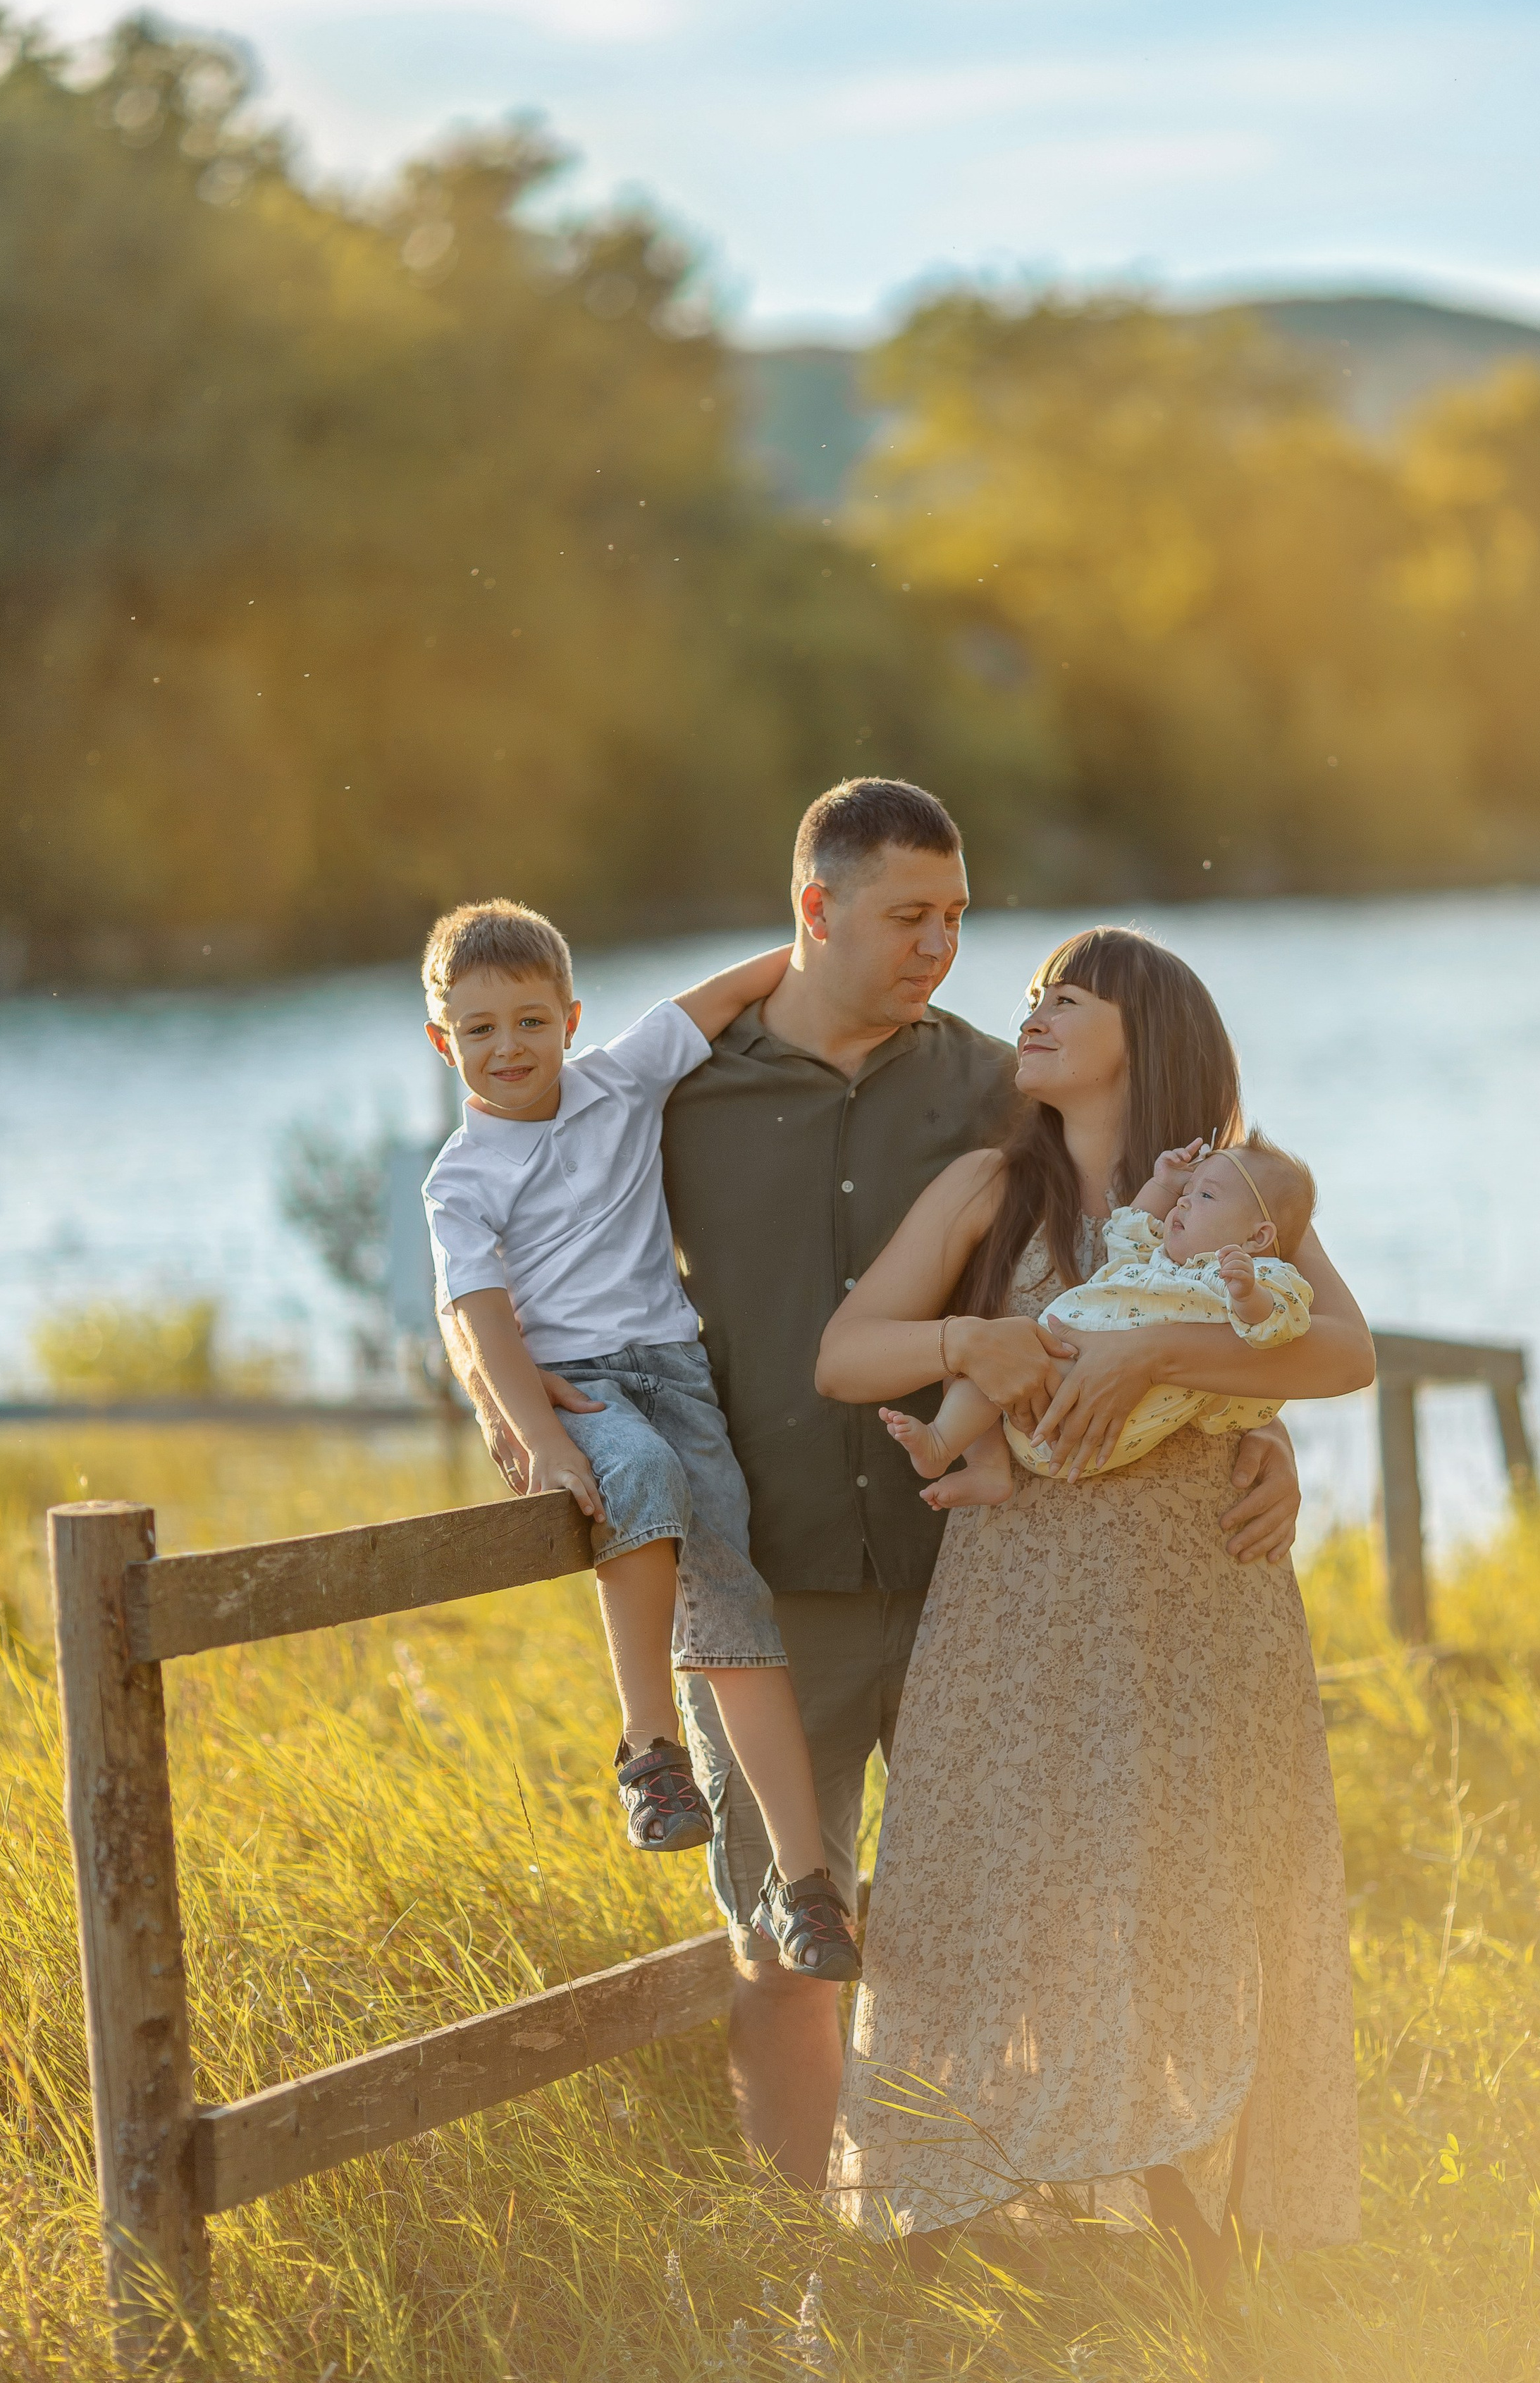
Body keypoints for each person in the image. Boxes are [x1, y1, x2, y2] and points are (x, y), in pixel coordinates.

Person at [444, 782, 1319, 2188]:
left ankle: (1001, 2221)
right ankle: (805, 2239)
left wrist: (1251, 1432)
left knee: (1020, 1918)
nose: (939, 948)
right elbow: (496, 1226)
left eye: (955, 919)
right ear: (815, 911)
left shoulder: (996, 1085)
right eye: (908, 917)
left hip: (974, 1574)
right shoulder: (678, 1095)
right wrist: (493, 1381)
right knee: (786, 1935)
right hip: (767, 1566)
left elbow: (1166, 1257)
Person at [817, 925, 1369, 2277]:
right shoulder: (986, 1190)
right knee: (989, 1891)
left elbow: (1345, 1348)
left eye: (1068, 996)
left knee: (1197, 1895)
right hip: (1018, 1606)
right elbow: (845, 1355)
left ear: (1151, 1028)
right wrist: (972, 1344)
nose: (1035, 1014)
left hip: (1201, 1603)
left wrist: (1178, 1357)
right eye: (1032, 998)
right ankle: (942, 2219)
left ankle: (1195, 2222)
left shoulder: (1236, 1195)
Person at [419, 899, 860, 1978]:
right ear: (443, 1042)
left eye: (530, 1021)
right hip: (570, 1396)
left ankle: (806, 1888)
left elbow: (729, 993)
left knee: (739, 1616)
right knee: (643, 1477)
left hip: (678, 1375)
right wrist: (538, 1438)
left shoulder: (622, 1076)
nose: (507, 1048)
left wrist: (834, 943)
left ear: (571, 1018)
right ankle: (648, 1748)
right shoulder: (459, 1180)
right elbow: (477, 1315)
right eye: (478, 1030)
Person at [884, 1128, 1316, 1508]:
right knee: (975, 1366)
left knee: (990, 1368)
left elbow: (1279, 1324)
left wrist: (1248, 1296)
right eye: (1185, 1193)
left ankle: (941, 1443)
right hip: (1058, 1378)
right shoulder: (1159, 1262)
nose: (1183, 1202)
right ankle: (989, 1466)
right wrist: (1162, 1184)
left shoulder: (1247, 1275)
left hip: (1093, 1408)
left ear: (1257, 1236)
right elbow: (1129, 1231)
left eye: (1204, 1195)